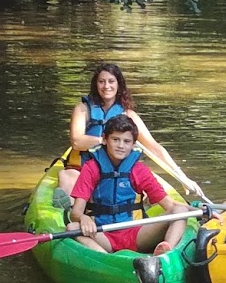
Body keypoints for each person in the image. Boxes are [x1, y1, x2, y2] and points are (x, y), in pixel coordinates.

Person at [57, 62, 202, 200]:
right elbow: (76, 142)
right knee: (67, 177)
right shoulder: (82, 109)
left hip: (118, 172)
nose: (106, 86)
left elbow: (154, 147)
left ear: (118, 84)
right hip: (83, 168)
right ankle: (70, 211)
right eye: (101, 81)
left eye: (111, 81)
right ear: (96, 84)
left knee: (139, 180)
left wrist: (182, 177)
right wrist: (107, 141)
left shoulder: (129, 115)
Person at [66, 114, 194, 255]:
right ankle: (106, 259)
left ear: (133, 145)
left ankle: (165, 254)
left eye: (127, 141)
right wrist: (83, 218)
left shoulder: (139, 170)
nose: (121, 146)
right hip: (103, 235)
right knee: (73, 227)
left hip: (137, 234)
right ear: (104, 139)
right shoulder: (91, 168)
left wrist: (197, 211)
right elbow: (75, 213)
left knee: (180, 212)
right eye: (115, 140)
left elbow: (171, 206)